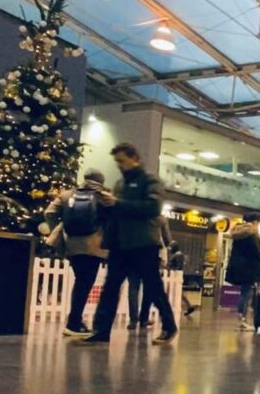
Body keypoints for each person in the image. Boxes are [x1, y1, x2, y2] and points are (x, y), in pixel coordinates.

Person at [81, 143, 178, 345]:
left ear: (135, 158)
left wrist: (117, 203)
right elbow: (118, 212)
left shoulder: (150, 181)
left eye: (122, 161)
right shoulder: (120, 184)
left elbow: (153, 207)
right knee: (111, 287)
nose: (119, 165)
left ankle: (169, 326)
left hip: (143, 243)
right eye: (117, 162)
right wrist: (106, 206)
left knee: (153, 287)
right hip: (120, 244)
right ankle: (101, 330)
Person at [44, 169, 109, 337]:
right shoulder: (104, 196)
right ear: (101, 180)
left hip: (72, 245)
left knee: (80, 281)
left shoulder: (67, 195)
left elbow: (49, 213)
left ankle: (76, 320)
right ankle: (73, 323)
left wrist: (59, 230)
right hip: (94, 246)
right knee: (84, 283)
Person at [130, 215, 173, 329]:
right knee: (149, 288)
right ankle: (144, 318)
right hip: (150, 253)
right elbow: (168, 240)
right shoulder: (159, 217)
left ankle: (133, 320)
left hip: (131, 253)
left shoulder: (133, 215)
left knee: (133, 288)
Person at [225, 214, 260, 332]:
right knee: (246, 293)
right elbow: (256, 250)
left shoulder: (238, 233)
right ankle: (241, 320)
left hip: (239, 267)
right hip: (249, 268)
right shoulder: (251, 234)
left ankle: (241, 319)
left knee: (244, 293)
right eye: (258, 222)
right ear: (254, 222)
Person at [167, 240, 197, 317]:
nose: (170, 249)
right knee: (179, 293)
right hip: (176, 276)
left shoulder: (177, 255)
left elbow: (176, 266)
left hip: (174, 276)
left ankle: (169, 308)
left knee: (172, 292)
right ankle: (189, 306)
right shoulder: (179, 255)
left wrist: (170, 269)